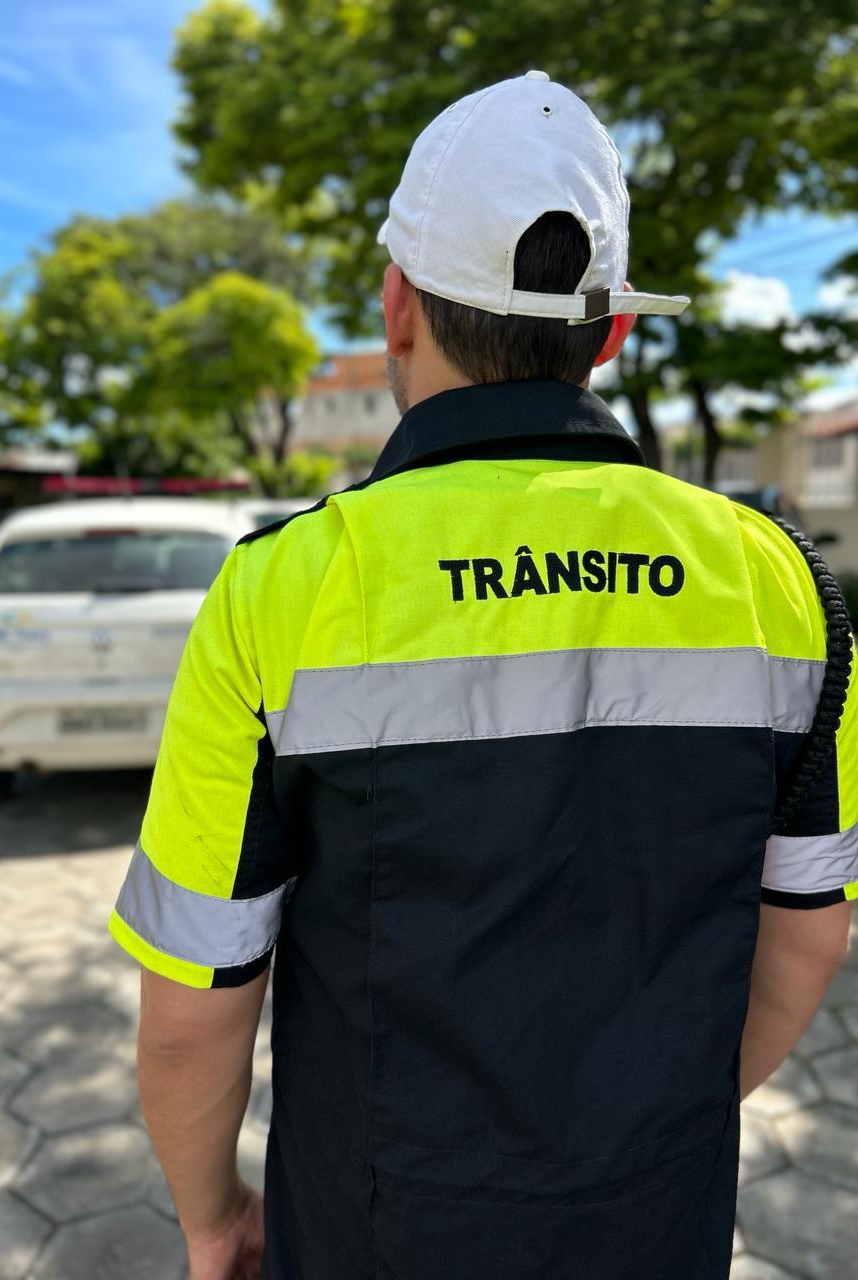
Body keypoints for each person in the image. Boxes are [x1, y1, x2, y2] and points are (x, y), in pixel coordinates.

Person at [109, 72, 856, 1280]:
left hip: (366, 1234)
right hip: (656, 1224)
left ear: (397, 305)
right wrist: (651, 1127)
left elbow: (193, 1011)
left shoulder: (277, 588)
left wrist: (214, 1217)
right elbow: (809, 934)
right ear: (611, 333)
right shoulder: (782, 582)